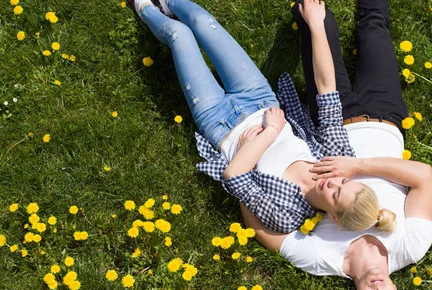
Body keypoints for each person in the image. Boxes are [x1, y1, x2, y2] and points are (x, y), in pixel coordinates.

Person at [241, 0, 432, 290]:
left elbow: (264, 230)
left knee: (312, 18)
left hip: (326, 114)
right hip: (384, 114)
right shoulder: (411, 245)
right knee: (375, 26)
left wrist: (245, 177)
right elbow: (423, 176)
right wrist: (357, 166)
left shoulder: (323, 260)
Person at [128, 0, 392, 234]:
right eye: (344, 182)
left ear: (334, 218)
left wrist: (270, 133)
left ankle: (145, 8)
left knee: (179, 35)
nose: (331, 183)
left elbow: (234, 176)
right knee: (201, 21)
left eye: (335, 196)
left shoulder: (287, 216)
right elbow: (327, 93)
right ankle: (169, 3)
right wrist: (316, 25)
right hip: (257, 97)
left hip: (219, 125)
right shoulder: (336, 160)